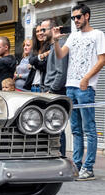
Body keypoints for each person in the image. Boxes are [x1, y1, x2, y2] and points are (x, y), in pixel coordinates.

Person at [53, 3, 105, 181]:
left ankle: (88, 168)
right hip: (70, 86)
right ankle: (77, 165)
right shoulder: (73, 36)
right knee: (75, 129)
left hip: (85, 87)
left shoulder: (98, 34)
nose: (75, 20)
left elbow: (101, 60)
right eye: (73, 17)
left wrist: (86, 79)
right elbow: (61, 55)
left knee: (89, 129)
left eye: (78, 17)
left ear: (87, 16)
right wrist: (55, 40)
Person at [41, 18, 69, 157]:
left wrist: (51, 90)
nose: (41, 33)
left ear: (53, 29)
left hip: (55, 92)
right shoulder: (52, 46)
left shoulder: (60, 44)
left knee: (57, 128)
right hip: (50, 91)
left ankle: (60, 158)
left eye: (43, 29)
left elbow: (61, 72)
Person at [23, 24, 51, 92]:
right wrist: (41, 56)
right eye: (37, 31)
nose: (40, 33)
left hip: (43, 87)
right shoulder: (35, 48)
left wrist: (33, 65)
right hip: (33, 86)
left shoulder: (50, 46)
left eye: (42, 30)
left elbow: (44, 66)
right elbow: (30, 61)